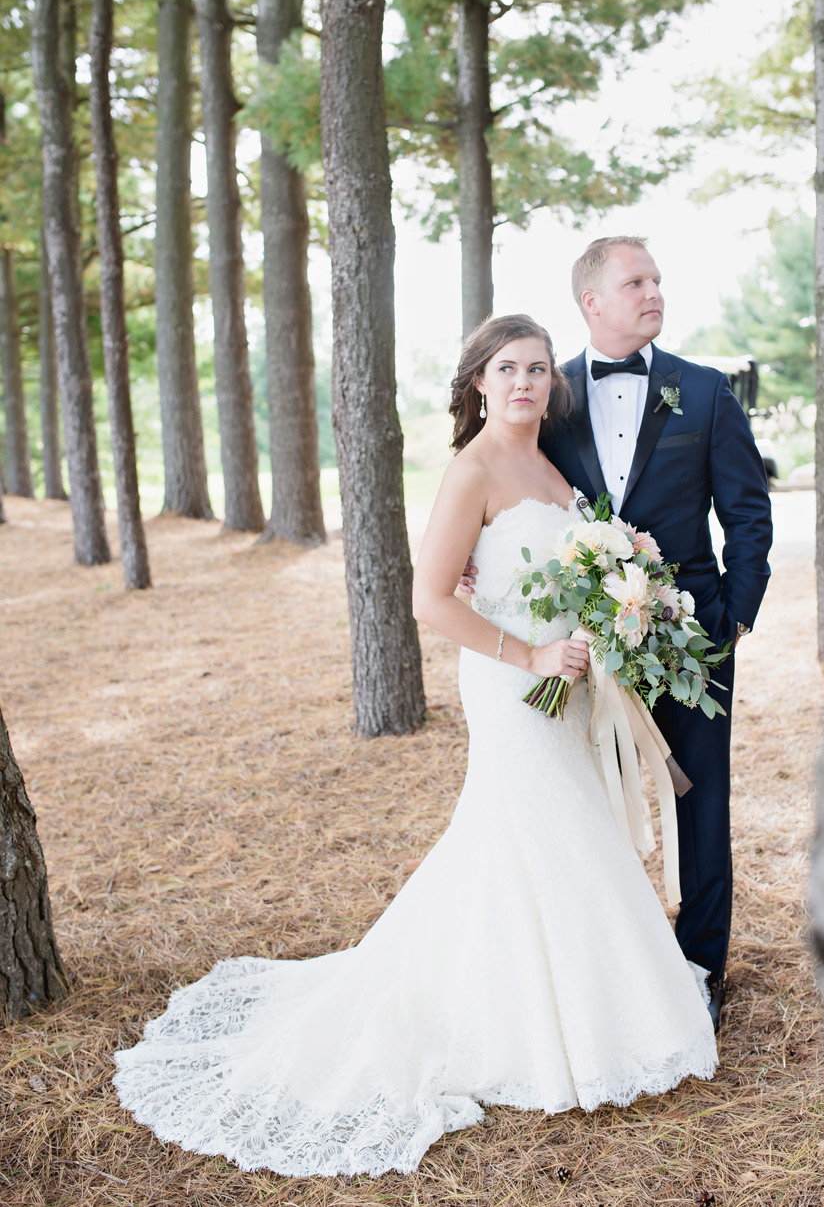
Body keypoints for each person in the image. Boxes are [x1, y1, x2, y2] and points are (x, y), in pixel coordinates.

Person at [113, 313, 717, 1180]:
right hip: (515, 683)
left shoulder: (551, 464)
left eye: (539, 370)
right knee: (536, 832)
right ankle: (534, 1031)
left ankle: (577, 1007)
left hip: (569, 678)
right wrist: (532, 653)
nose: (524, 383)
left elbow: (558, 569)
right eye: (507, 369)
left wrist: (610, 623)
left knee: (546, 837)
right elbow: (430, 600)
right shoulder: (471, 470)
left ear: (554, 383)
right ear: (476, 381)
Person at [540, 236, 773, 1030]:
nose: (653, 292)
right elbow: (511, 495)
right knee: (587, 802)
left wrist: (732, 615)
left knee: (701, 805)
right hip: (586, 644)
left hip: (694, 636)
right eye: (633, 281)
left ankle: (700, 966)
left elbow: (746, 513)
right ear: (591, 301)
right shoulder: (550, 397)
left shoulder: (703, 392)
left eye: (657, 280)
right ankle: (608, 967)